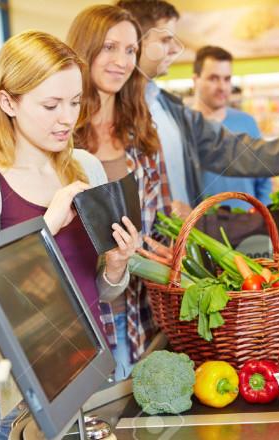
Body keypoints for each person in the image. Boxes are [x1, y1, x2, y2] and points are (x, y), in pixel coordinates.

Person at [0, 31, 137, 440]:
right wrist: (44, 229)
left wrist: (117, 266)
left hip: (90, 375)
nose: (67, 118)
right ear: (8, 102)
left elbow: (96, 290)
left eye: (73, 102)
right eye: (50, 105)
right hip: (16, 398)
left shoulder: (86, 167)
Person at [116, 0, 279, 211]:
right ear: (135, 41)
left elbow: (230, 149)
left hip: (181, 240)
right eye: (165, 39)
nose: (174, 49)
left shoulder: (170, 108)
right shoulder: (111, 110)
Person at [67, 4, 168, 381]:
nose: (121, 61)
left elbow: (155, 223)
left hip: (141, 314)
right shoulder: (60, 138)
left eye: (130, 51)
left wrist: (168, 254)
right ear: (84, 50)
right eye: (109, 47)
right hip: (87, 320)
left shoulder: (139, 132)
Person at [192, 45, 271, 210]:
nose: (222, 87)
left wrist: (261, 214)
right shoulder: (184, 125)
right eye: (213, 78)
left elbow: (264, 178)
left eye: (227, 79)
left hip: (247, 226)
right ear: (195, 80)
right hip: (199, 229)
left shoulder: (247, 122)